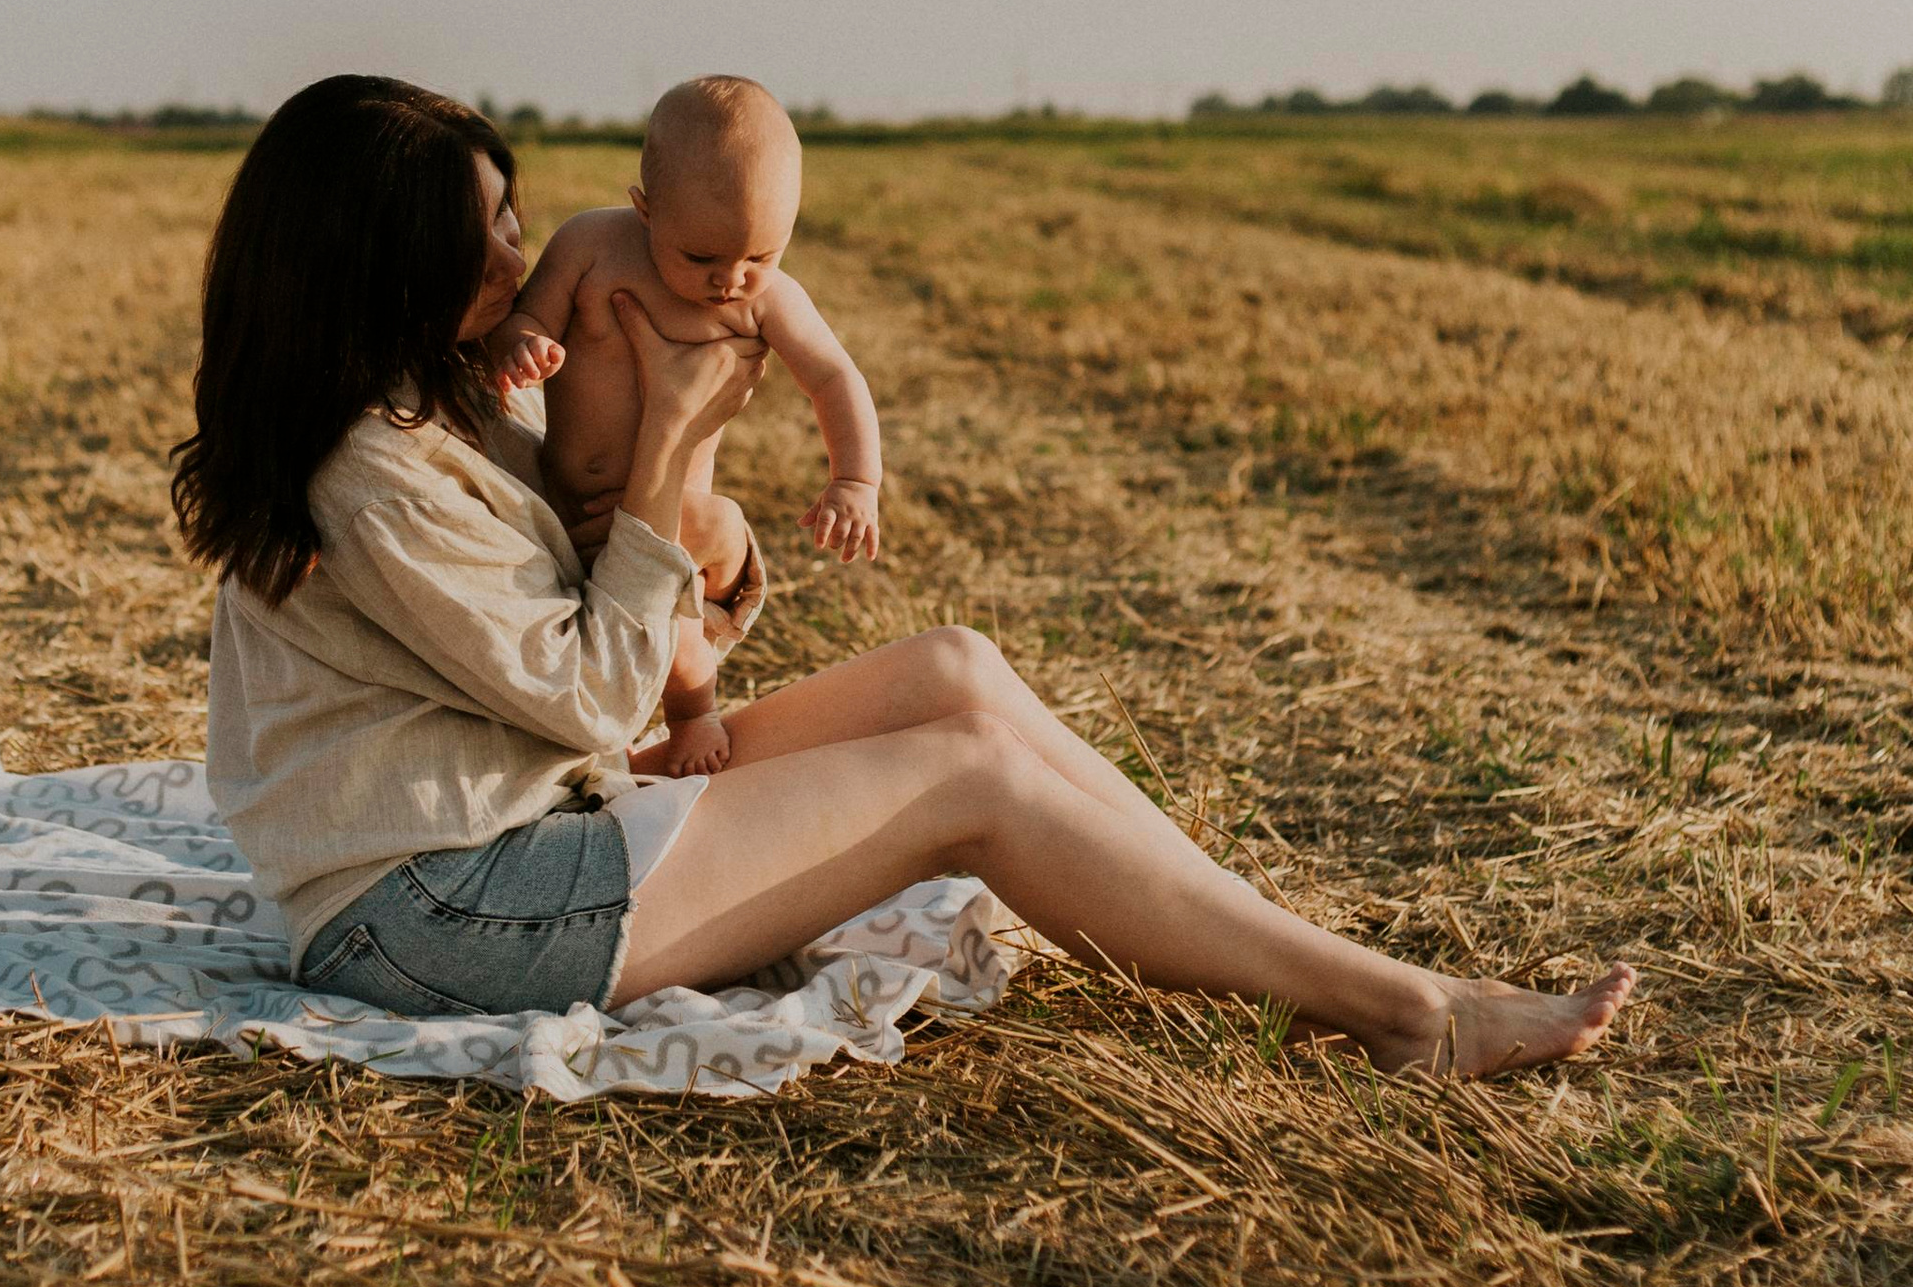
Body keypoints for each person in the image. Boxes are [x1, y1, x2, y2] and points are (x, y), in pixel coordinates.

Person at [176, 75, 1635, 1076]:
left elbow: (612, 598)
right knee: (968, 789)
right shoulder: (365, 469)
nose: (520, 248)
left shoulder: (446, 401)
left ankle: (1258, 933)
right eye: (487, 229)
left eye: (509, 216)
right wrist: (679, 441)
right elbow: (585, 692)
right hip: (438, 914)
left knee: (955, 672)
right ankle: (1403, 1012)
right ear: (384, 263)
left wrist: (717, 541)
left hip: (536, 816)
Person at [486, 73, 883, 777]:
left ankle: (694, 715)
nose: (730, 280)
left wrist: (854, 479)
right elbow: (528, 316)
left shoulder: (768, 303)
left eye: (761, 256)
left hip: (669, 521)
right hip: (558, 502)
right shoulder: (589, 246)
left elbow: (833, 377)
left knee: (675, 624)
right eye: (701, 257)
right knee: (564, 630)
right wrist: (525, 344)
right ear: (645, 209)